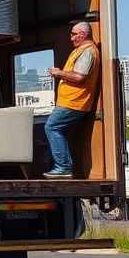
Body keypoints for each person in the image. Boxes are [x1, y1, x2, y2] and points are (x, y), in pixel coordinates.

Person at [43, 21, 101, 179]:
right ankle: (60, 166)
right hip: (71, 102)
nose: (71, 38)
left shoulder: (88, 52)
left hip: (75, 102)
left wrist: (59, 73)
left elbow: (79, 76)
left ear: (82, 34)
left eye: (73, 34)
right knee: (54, 128)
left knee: (52, 127)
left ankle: (63, 167)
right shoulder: (82, 50)